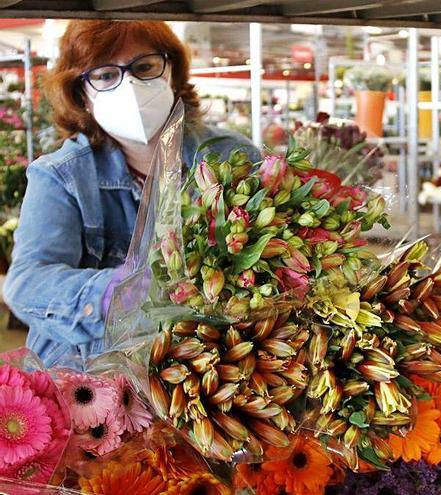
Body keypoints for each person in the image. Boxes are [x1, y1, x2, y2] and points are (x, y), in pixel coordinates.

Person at [3, 21, 259, 366]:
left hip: (216, 372)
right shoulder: (63, 176)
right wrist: (126, 293)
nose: (131, 86)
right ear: (82, 93)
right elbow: (27, 285)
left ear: (171, 71)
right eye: (106, 75)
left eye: (144, 67)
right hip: (96, 383)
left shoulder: (230, 155)